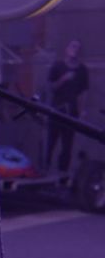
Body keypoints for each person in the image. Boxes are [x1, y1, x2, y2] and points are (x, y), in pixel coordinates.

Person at [45, 38, 89, 172]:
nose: (75, 49)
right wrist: (63, 79)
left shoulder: (82, 70)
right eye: (72, 46)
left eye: (77, 47)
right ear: (67, 49)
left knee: (67, 144)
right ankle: (44, 168)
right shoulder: (58, 66)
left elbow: (84, 92)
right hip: (57, 110)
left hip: (71, 112)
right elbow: (51, 87)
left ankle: (62, 172)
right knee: (51, 141)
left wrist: (82, 111)